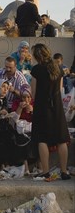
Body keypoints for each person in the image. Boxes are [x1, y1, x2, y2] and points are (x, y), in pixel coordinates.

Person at [31, 43, 71, 180]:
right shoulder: (58, 68)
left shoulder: (36, 70)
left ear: (37, 56)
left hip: (42, 107)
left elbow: (34, 93)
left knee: (42, 139)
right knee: (62, 139)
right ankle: (64, 171)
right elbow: (60, 90)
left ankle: (46, 171)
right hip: (57, 107)